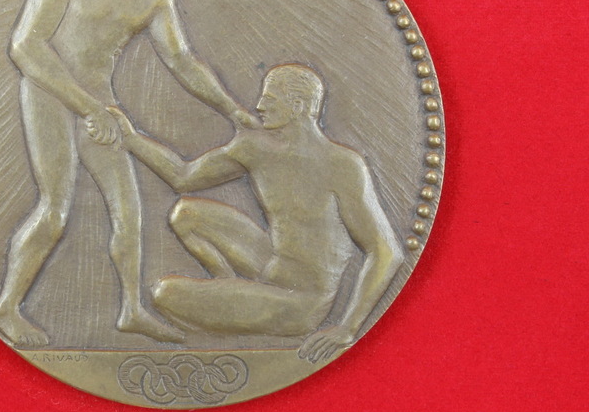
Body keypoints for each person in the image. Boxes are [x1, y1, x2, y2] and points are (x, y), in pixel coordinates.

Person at [0, 0, 254, 348]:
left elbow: (181, 60)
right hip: (51, 94)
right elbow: (26, 47)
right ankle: (7, 306)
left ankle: (131, 310)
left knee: (128, 212)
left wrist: (232, 109)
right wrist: (87, 107)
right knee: (55, 209)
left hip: (102, 103)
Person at [109, 64, 405, 363]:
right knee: (186, 213)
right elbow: (182, 176)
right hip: (269, 262)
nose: (259, 106)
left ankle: (229, 306)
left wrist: (347, 328)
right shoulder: (255, 149)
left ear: (297, 106)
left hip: (299, 301)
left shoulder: (343, 165)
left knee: (164, 294)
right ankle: (227, 284)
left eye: (270, 99)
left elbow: (385, 251)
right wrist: (131, 138)